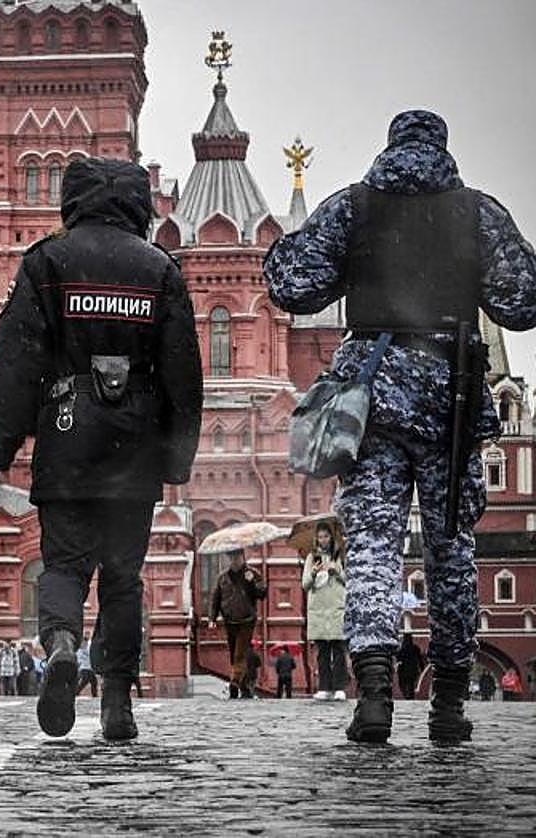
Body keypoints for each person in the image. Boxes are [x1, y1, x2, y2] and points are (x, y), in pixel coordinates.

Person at [265, 110, 536, 743]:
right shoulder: (477, 213)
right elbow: (524, 301)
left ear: (389, 148)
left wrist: (324, 254)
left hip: (373, 400)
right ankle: (447, 704)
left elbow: (289, 282)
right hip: (454, 398)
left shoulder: (354, 207)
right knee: (450, 548)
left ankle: (376, 700)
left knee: (373, 548)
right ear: (443, 149)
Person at [0, 157, 203, 742]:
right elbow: (184, 369)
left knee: (64, 563)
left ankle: (59, 645)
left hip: (66, 431)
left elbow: (14, 357)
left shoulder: (47, 262)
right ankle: (116, 700)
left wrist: (1, 439)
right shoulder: (159, 268)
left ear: (73, 199)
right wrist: (178, 455)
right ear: (138, 203)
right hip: (134, 443)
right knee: (124, 576)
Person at [209, 551, 268, 699]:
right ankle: (245, 686)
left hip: (247, 620)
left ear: (243, 557)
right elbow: (215, 598)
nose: (234, 561)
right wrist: (212, 618)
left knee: (239, 653)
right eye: (231, 558)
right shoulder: (222, 578)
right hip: (229, 620)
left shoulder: (252, 573)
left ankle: (235, 682)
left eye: (237, 557)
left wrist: (252, 582)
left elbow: (262, 593)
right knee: (234, 653)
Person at [302, 523, 349, 701]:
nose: (323, 540)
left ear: (332, 538)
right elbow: (305, 585)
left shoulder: (340, 557)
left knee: (338, 650)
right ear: (316, 539)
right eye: (320, 537)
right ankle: (324, 687)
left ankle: (339, 687)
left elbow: (348, 581)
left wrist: (337, 570)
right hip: (319, 609)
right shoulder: (311, 558)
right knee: (322, 650)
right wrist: (313, 573)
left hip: (336, 607)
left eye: (326, 536)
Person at [397, 633, 426, 700]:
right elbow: (420, 659)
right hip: (412, 670)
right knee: (410, 684)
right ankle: (410, 696)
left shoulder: (402, 649)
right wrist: (422, 667)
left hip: (404, 670)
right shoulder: (415, 648)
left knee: (404, 684)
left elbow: (398, 658)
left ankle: (408, 696)